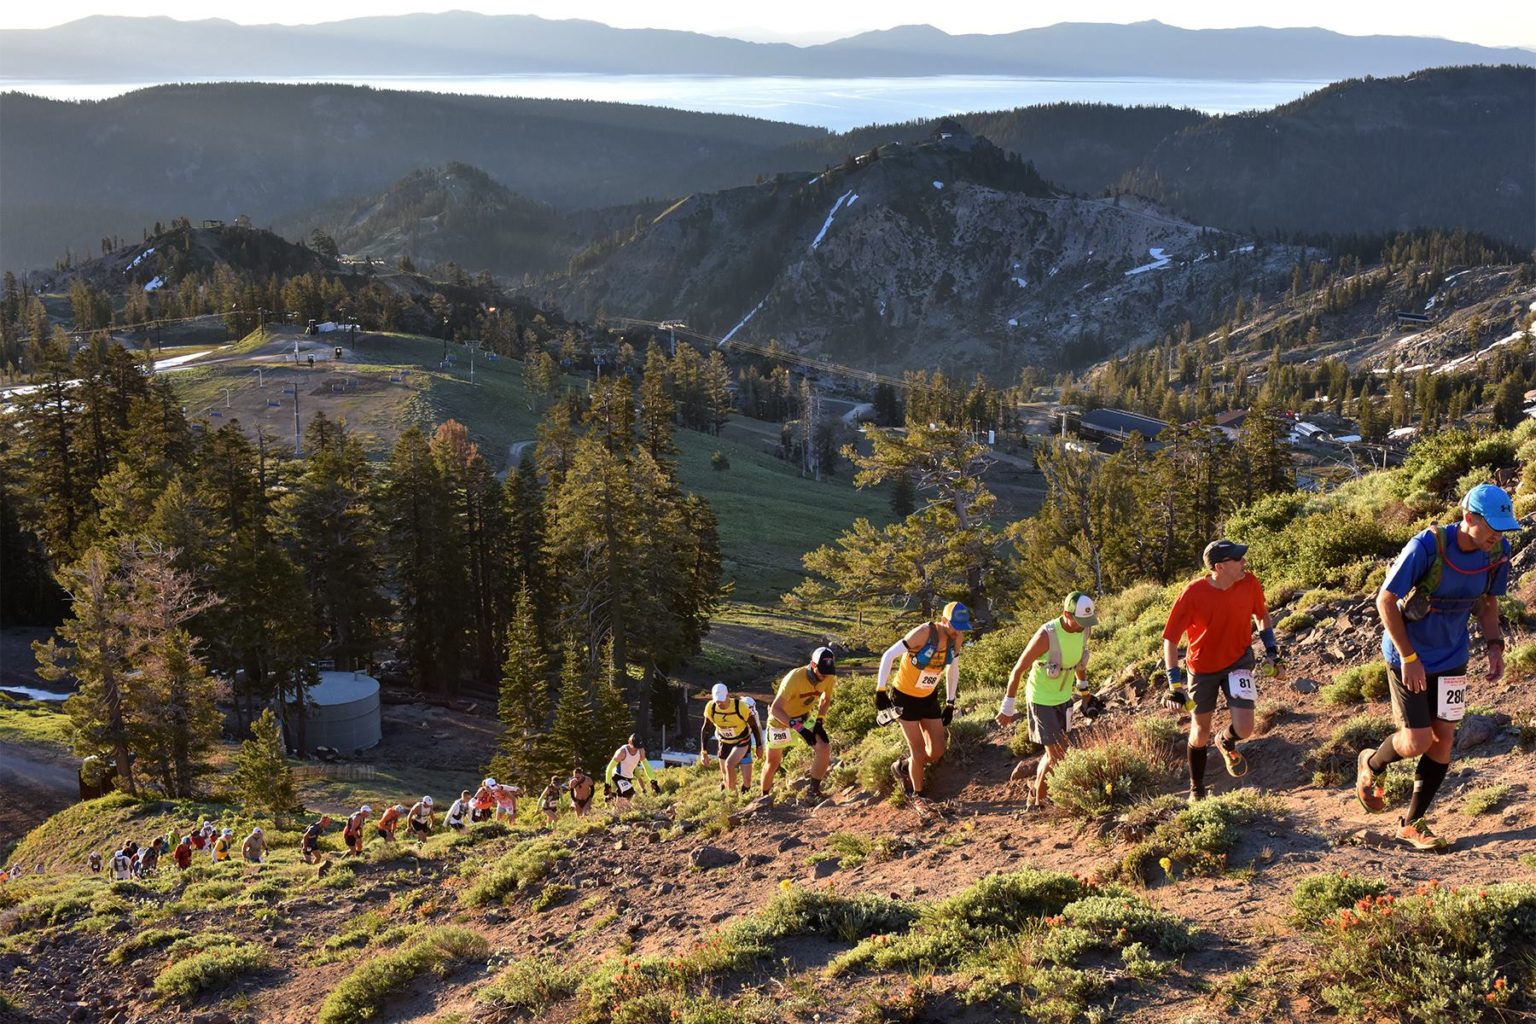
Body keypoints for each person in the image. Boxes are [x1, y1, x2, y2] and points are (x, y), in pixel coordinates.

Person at [1358, 483, 1514, 851]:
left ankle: (1411, 824)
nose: (1498, 534)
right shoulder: (1427, 547)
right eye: (1492, 526)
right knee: (1417, 741)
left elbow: (1489, 603)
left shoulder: (1498, 552)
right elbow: (1385, 601)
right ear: (1468, 518)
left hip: (1453, 656)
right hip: (1407, 654)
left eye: (1503, 527)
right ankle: (1372, 763)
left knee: (1444, 738)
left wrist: (1495, 646)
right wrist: (1410, 658)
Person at [1162, 539, 1280, 803]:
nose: (1244, 563)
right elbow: (1170, 639)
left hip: (1238, 661)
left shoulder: (1249, 582)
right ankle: (1197, 789)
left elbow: (1261, 615)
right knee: (1200, 731)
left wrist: (1272, 651)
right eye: (1238, 559)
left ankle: (1226, 741)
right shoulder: (1193, 593)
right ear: (1219, 567)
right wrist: (1175, 685)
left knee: (1246, 728)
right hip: (1202, 669)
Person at [998, 592, 1101, 809]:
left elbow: (1080, 663)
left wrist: (1085, 694)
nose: (1083, 626)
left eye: (1087, 621)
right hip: (1041, 699)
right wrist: (1007, 707)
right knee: (1059, 753)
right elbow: (1018, 670)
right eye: (1080, 621)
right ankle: (1040, 805)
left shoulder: (1085, 629)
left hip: (1064, 698)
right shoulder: (1047, 634)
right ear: (1066, 614)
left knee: (1054, 753)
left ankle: (1035, 792)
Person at [876, 603, 970, 802]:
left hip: (928, 697)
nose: (958, 631)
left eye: (962, 627)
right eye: (955, 626)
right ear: (944, 621)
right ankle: (918, 795)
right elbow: (888, 655)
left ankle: (902, 767)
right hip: (904, 698)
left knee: (936, 751)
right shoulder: (923, 633)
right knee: (918, 752)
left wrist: (950, 702)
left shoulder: (957, 638)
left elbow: (953, 669)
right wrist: (880, 690)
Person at [761, 648, 837, 802]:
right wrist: (799, 729)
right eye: (821, 671)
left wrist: (820, 721)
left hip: (803, 717)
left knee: (823, 748)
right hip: (780, 721)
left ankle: (813, 791)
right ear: (812, 665)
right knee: (773, 762)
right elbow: (776, 709)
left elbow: (825, 699)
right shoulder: (794, 678)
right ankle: (763, 798)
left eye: (827, 672)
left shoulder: (829, 676)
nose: (824, 676)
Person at [701, 683, 765, 796]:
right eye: (717, 700)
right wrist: (704, 751)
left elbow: (755, 727)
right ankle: (732, 797)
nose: (719, 703)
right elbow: (706, 729)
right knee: (727, 776)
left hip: (742, 742)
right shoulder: (711, 707)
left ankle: (740, 794)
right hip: (724, 742)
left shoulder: (741, 707)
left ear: (727, 696)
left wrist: (759, 746)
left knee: (743, 777)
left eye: (721, 700)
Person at [605, 735, 660, 809]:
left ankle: (616, 813)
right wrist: (607, 784)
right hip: (618, 776)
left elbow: (646, 766)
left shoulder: (640, 750)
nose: (636, 749)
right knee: (631, 794)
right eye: (635, 747)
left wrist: (653, 781)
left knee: (624, 801)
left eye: (638, 746)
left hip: (628, 778)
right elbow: (609, 768)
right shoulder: (622, 752)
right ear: (629, 743)